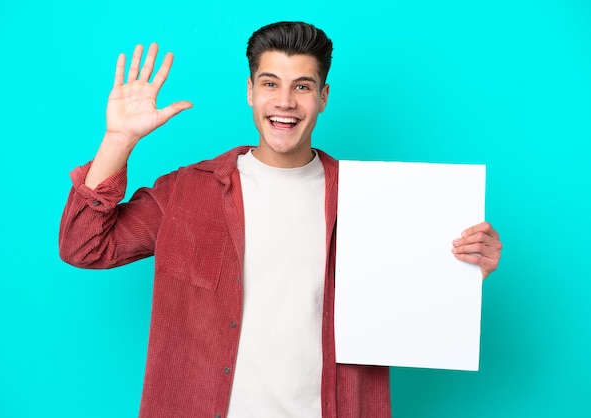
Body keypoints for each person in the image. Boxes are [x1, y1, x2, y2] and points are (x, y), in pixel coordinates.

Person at [59, 21, 502, 418]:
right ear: (250, 90)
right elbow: (84, 247)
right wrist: (117, 141)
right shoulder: (186, 192)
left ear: (323, 97)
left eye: (303, 86)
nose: (285, 102)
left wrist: (462, 272)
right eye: (270, 83)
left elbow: (405, 312)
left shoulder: (371, 201)